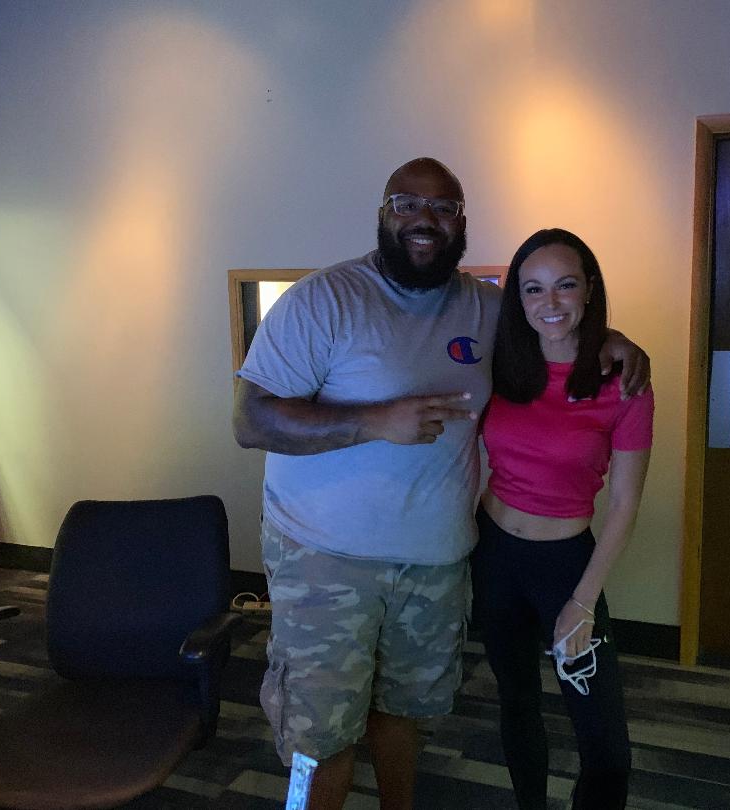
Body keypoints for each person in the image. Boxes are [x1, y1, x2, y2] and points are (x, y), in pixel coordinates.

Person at [232, 158, 649, 810]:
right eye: (406, 203)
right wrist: (374, 420)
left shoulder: (487, 309)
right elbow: (251, 420)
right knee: (319, 736)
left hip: (435, 565)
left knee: (405, 714)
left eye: (443, 207)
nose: (424, 218)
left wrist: (614, 340)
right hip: (325, 562)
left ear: (461, 222)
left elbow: (553, 320)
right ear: (383, 213)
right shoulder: (323, 299)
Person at [473, 228, 653, 810]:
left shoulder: (624, 381)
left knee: (605, 745)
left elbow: (624, 503)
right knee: (517, 703)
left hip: (565, 567)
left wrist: (582, 600)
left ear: (589, 289)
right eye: (533, 289)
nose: (549, 303)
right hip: (494, 557)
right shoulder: (498, 366)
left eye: (565, 285)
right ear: (518, 299)